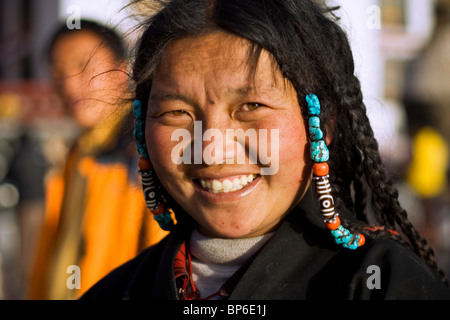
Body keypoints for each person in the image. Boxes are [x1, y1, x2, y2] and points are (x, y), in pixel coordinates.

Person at [81, 0, 450, 300]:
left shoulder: (382, 285)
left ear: (324, 122)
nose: (212, 150)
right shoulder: (118, 291)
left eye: (251, 107)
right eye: (178, 112)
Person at [28, 20, 168, 300]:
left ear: (121, 70)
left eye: (83, 66)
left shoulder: (144, 153)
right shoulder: (78, 154)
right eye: (58, 72)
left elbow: (162, 265)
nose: (69, 85)